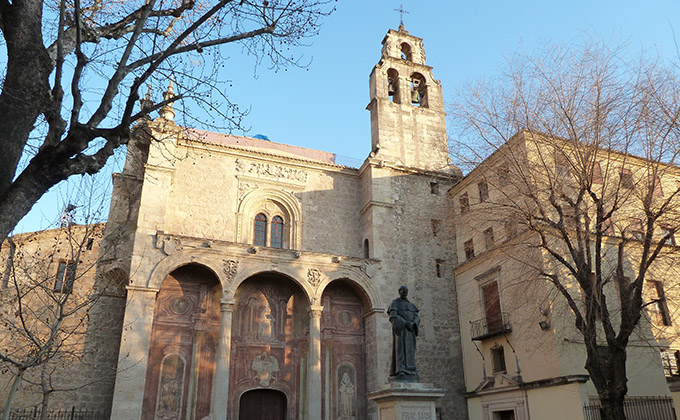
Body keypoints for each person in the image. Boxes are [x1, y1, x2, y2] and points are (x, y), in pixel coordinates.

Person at [388, 286, 420, 381]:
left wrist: (414, 323)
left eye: (406, 291)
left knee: (410, 350)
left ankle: (411, 369)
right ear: (399, 292)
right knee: (400, 350)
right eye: (403, 291)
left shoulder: (411, 305)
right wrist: (405, 323)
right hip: (401, 330)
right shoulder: (395, 304)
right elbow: (393, 316)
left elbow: (416, 316)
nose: (405, 293)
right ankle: (401, 369)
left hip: (410, 331)